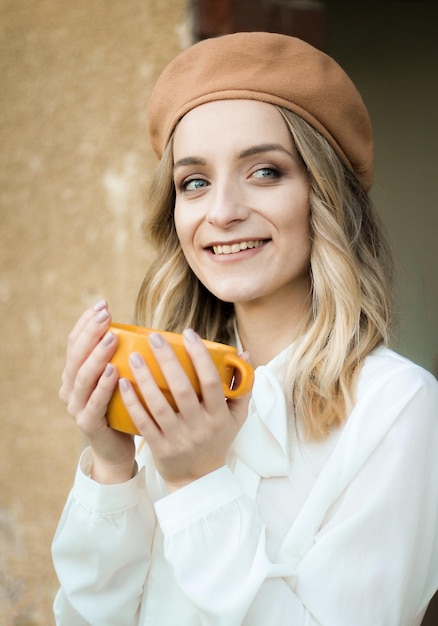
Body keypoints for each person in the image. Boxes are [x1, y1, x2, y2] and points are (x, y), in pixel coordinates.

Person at [51, 32, 438, 625]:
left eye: (264, 171)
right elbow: (85, 618)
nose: (222, 210)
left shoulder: (399, 408)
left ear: (324, 196)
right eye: (195, 181)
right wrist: (112, 465)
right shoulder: (168, 388)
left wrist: (197, 484)